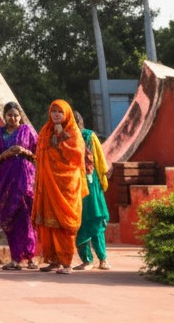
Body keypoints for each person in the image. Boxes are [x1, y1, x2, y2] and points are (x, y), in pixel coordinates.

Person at [33, 100, 87, 275]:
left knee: (65, 225)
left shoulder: (74, 133)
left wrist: (61, 139)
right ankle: (53, 261)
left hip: (67, 184)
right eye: (53, 111)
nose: (56, 114)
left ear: (67, 114)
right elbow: (39, 154)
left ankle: (66, 263)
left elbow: (77, 157)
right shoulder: (45, 131)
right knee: (50, 224)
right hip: (49, 183)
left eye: (60, 112)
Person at [0, 101, 37, 270]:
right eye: (9, 115)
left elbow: (38, 155)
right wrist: (7, 153)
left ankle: (31, 258)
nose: (13, 118)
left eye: (16, 115)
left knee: (27, 218)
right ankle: (15, 258)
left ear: (20, 116)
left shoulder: (27, 131)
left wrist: (24, 151)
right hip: (6, 182)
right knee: (10, 219)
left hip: (26, 181)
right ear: (4, 116)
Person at [72, 112, 110, 270]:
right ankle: (86, 260)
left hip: (90, 181)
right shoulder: (62, 138)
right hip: (73, 183)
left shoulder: (89, 136)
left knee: (94, 218)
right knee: (77, 221)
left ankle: (102, 259)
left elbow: (100, 161)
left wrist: (101, 181)